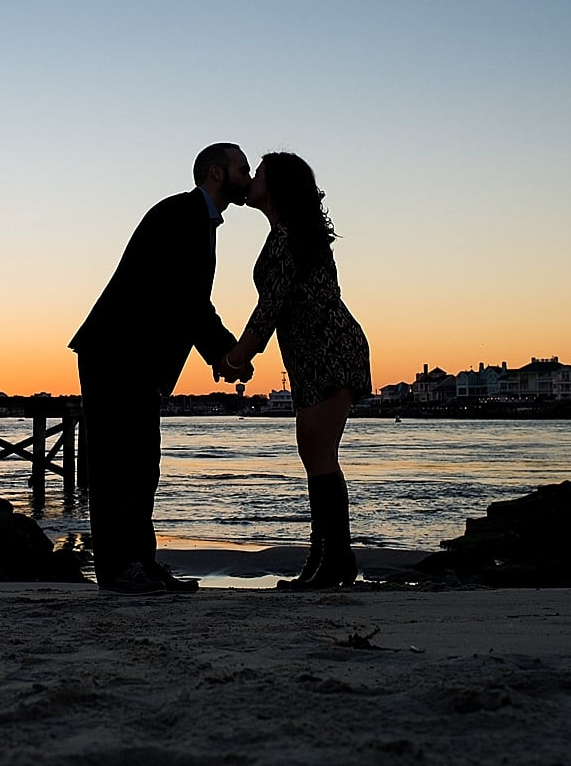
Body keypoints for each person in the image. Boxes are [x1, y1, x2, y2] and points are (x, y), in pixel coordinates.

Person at [69, 143, 255, 594]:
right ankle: (118, 570)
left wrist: (225, 355)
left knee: (141, 464)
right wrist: (226, 354)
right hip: (117, 351)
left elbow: (188, 301)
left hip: (135, 357)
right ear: (216, 172)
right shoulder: (181, 214)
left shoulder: (199, 219)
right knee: (118, 465)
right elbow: (187, 299)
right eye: (242, 169)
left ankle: (140, 563)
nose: (247, 178)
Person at [222, 152, 371, 589]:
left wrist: (234, 358)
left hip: (329, 351)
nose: (251, 179)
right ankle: (323, 561)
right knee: (315, 457)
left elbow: (269, 310)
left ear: (277, 186)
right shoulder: (287, 234)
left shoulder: (289, 237)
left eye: (259, 173)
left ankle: (334, 563)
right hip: (313, 356)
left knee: (319, 457)